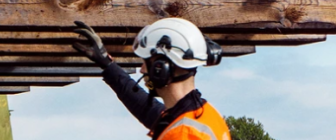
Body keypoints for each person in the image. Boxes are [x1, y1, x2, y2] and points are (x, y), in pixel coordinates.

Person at [72, 18, 230, 140]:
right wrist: (108, 65)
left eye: (146, 62)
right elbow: (148, 110)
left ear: (162, 67)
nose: (142, 69)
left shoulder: (183, 134)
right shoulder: (203, 114)